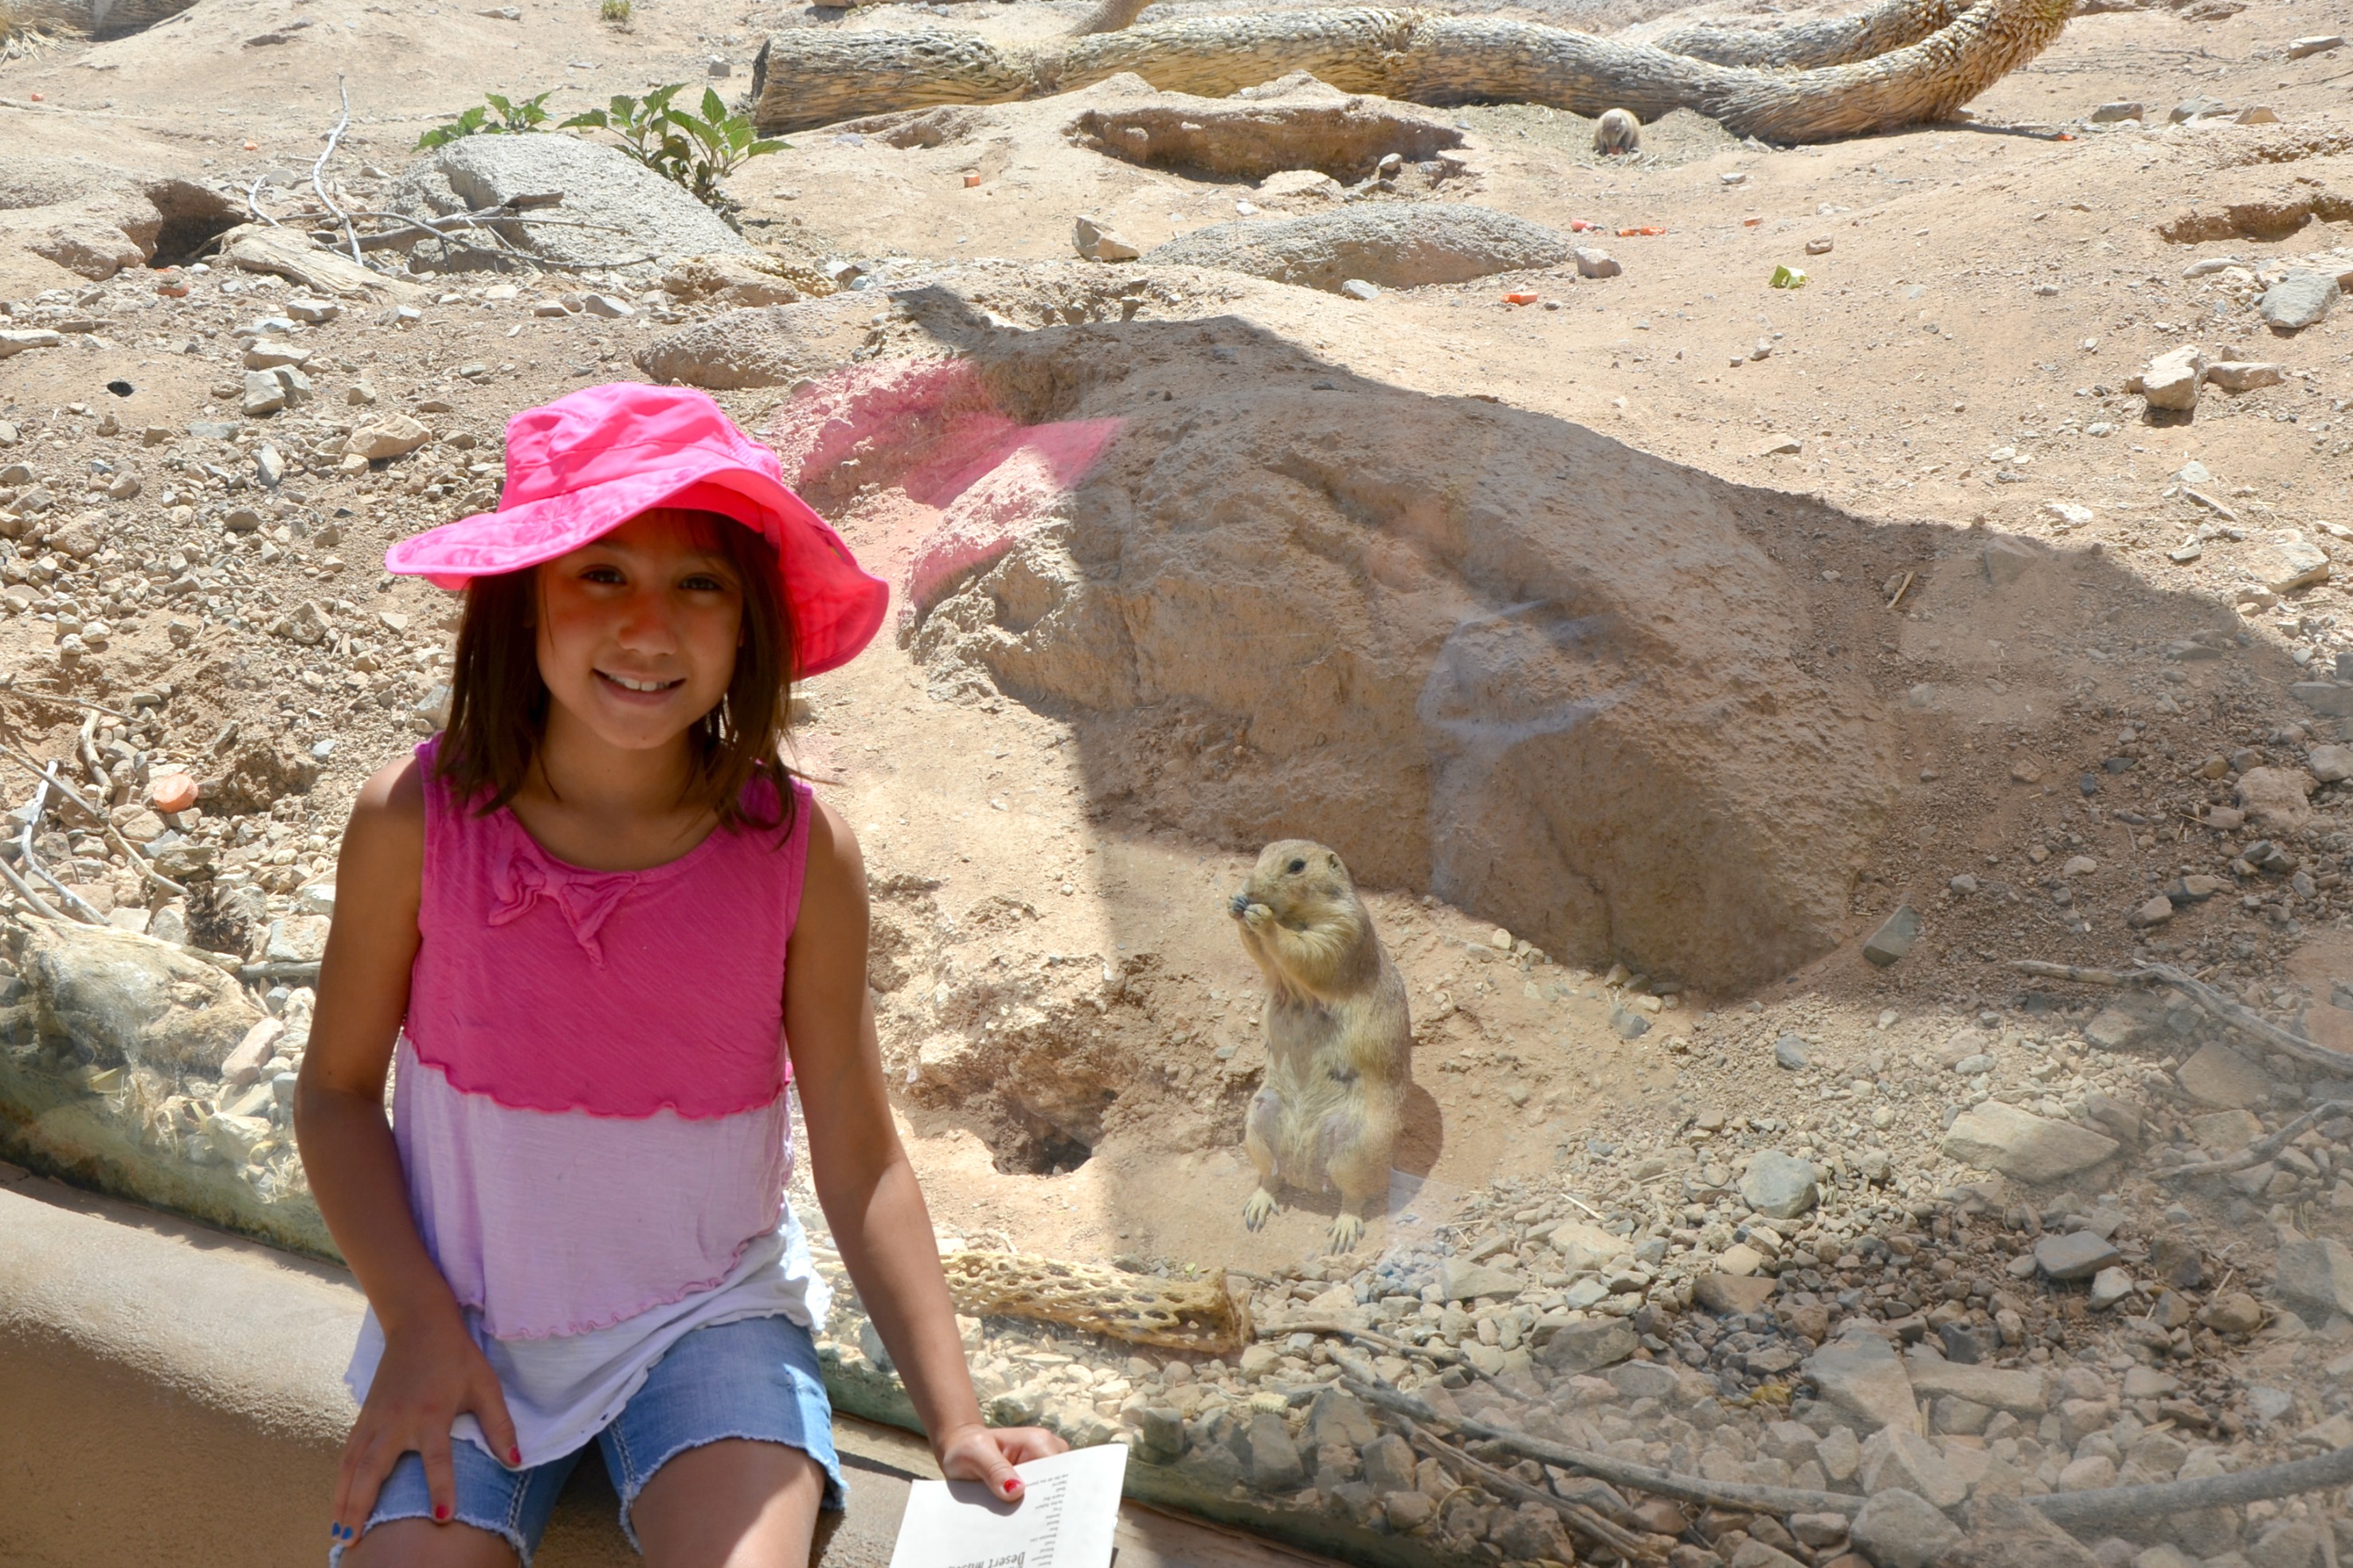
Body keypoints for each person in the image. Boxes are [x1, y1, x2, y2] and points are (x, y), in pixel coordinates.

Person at [295, 383, 1065, 1568]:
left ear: (751, 621)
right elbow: (337, 1093)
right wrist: (415, 1322)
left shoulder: (799, 852)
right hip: (463, 1324)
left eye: (700, 583)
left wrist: (955, 1418)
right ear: (521, 594)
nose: (649, 628)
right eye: (602, 572)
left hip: (709, 1317)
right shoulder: (416, 820)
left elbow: (860, 1154)